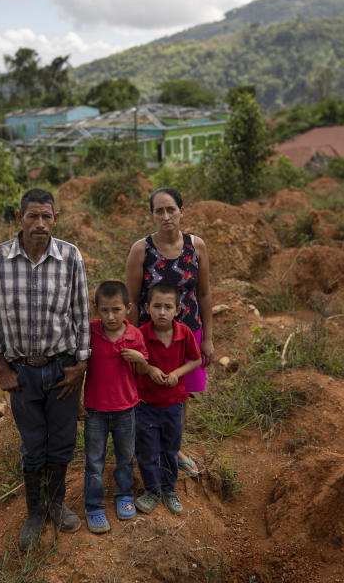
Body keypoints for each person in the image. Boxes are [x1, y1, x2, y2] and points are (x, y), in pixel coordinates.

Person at [0, 188, 90, 551]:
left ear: (56, 218)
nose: (40, 223)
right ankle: (34, 511)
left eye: (46, 216)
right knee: (32, 445)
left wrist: (81, 366)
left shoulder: (70, 256)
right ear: (19, 218)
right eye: (32, 216)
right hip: (21, 371)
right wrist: (2, 370)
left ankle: (57, 504)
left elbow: (81, 315)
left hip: (62, 370)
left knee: (62, 442)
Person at [125, 186, 213, 477]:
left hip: (188, 334)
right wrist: (134, 341)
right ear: (152, 215)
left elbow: (204, 293)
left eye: (171, 209)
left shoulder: (195, 245)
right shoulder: (142, 250)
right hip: (151, 338)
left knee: (181, 392)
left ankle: (173, 448)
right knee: (149, 392)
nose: (165, 216)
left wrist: (208, 338)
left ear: (181, 211)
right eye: (159, 211)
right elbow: (132, 300)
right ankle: (146, 449)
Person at [82, 280, 152, 533]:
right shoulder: (90, 332)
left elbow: (144, 370)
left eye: (116, 310)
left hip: (126, 409)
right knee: (94, 461)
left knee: (125, 457)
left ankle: (124, 496)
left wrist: (139, 359)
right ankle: (94, 506)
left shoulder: (135, 335)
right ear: (96, 309)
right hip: (95, 410)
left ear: (128, 309)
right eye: (105, 310)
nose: (111, 317)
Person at [133, 282, 201, 515]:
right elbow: (135, 365)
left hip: (174, 404)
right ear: (147, 307)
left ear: (178, 310)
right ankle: (152, 490)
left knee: (170, 449)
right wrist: (149, 368)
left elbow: (196, 360)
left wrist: (176, 374)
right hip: (146, 404)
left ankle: (169, 490)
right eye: (157, 306)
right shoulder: (140, 334)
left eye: (168, 307)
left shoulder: (184, 334)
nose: (162, 312)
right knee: (148, 450)